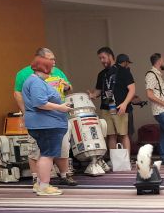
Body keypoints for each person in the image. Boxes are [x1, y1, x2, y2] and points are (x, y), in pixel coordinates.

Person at [14, 46, 76, 186]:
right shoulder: (34, 80)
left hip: (50, 122)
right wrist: (60, 107)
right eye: (50, 61)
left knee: (49, 153)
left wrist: (65, 88)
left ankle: (46, 182)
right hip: (45, 123)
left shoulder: (38, 80)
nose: (53, 64)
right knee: (45, 155)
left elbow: (66, 89)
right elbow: (39, 102)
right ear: (43, 64)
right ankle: (43, 185)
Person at [90, 47, 135, 164]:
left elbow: (132, 89)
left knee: (123, 134)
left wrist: (125, 104)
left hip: (120, 107)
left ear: (110, 56)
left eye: (103, 57)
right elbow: (99, 90)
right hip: (106, 107)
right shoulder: (102, 74)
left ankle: (125, 161)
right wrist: (93, 95)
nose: (102, 60)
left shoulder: (124, 71)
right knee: (110, 135)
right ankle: (115, 161)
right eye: (100, 58)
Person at [145, 53, 164, 165]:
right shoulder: (151, 75)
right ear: (159, 61)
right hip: (160, 110)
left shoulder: (158, 75)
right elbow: (149, 94)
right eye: (163, 59)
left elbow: (158, 93)